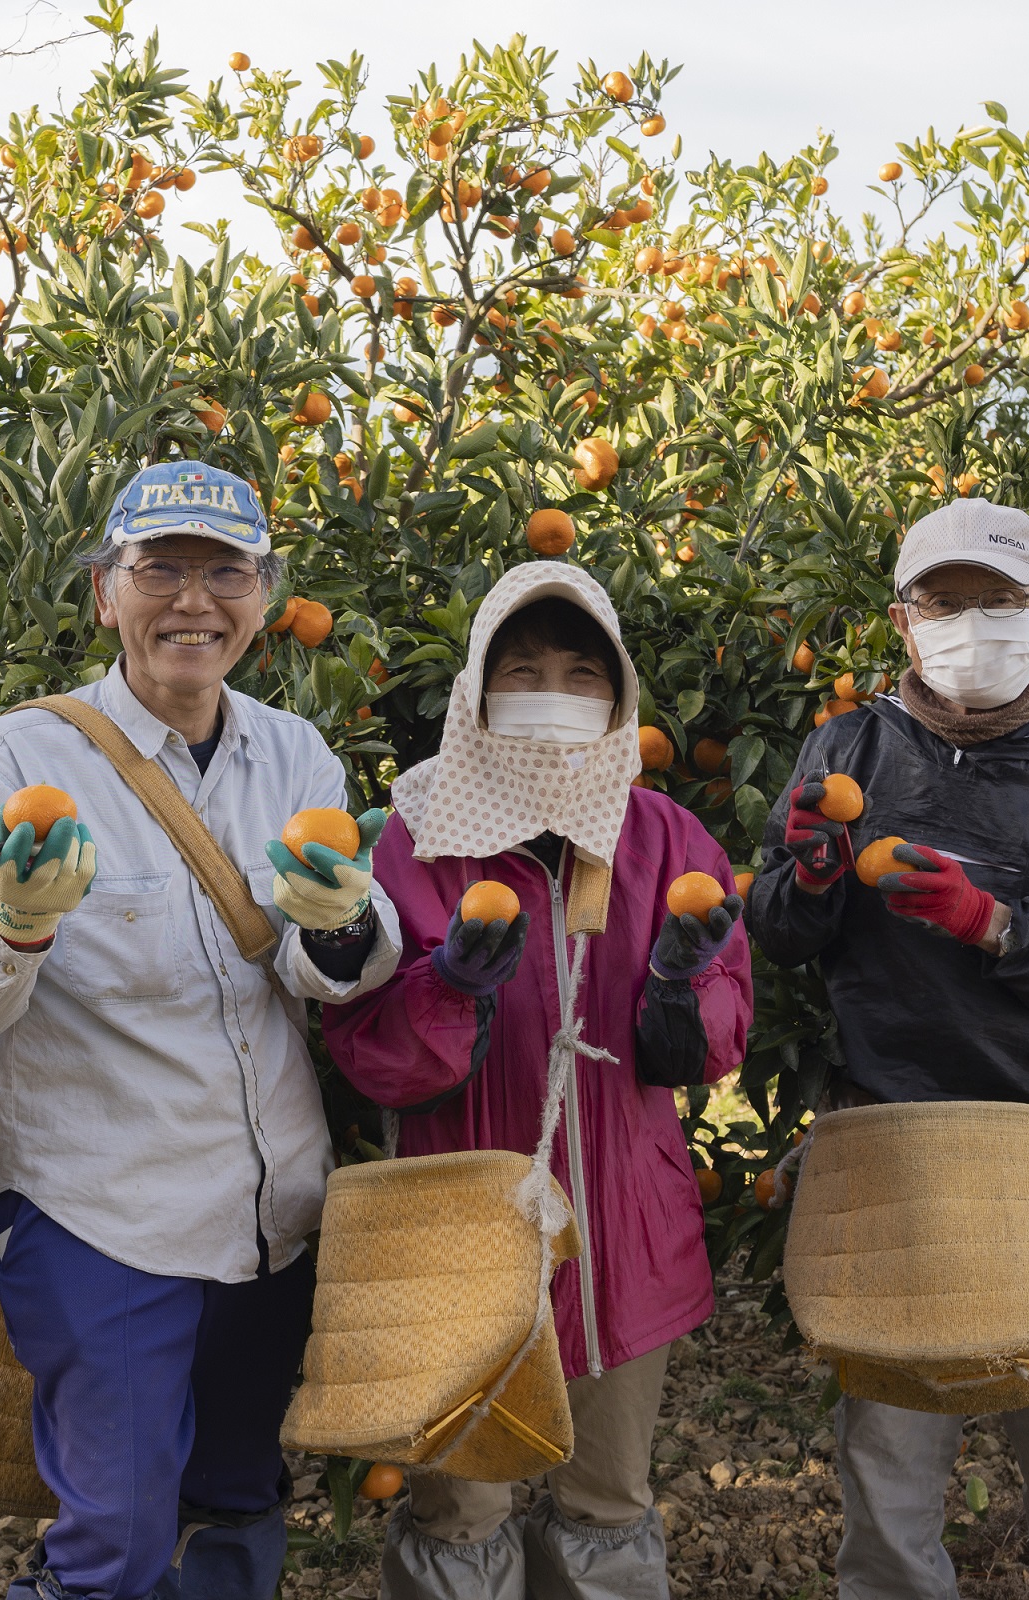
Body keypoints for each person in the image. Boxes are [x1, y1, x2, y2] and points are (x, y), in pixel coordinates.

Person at [0, 460, 404, 1600]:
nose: (194, 599)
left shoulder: (293, 753)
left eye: (224, 569)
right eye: (161, 568)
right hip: (104, 1216)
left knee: (238, 1500)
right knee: (117, 1546)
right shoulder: (21, 758)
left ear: (266, 593)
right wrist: (17, 927)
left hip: (269, 1212)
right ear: (104, 591)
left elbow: (323, 959)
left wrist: (342, 927)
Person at [748, 498, 1029, 1599]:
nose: (970, 621)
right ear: (904, 619)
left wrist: (997, 924)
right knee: (888, 1470)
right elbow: (778, 937)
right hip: (893, 1151)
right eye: (945, 600)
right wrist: (807, 877)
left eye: (998, 599)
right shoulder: (846, 747)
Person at [322, 561, 754, 1600]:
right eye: (522, 670)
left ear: (617, 698)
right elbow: (372, 1052)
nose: (551, 693)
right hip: (461, 1237)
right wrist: (447, 991)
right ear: (476, 691)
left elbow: (721, 1039)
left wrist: (677, 998)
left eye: (578, 672)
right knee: (460, 1510)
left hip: (624, 1238)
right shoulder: (418, 845)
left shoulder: (665, 839)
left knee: (607, 1503)